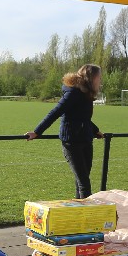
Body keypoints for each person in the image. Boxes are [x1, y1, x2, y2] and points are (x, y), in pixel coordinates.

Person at [25, 64, 103, 199]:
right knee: (84, 183)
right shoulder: (73, 93)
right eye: (99, 77)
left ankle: (78, 208)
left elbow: (83, 118)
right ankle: (86, 211)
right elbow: (55, 113)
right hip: (72, 142)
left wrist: (96, 131)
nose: (100, 80)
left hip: (85, 139)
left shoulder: (87, 94)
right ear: (91, 78)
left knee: (82, 180)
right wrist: (37, 132)